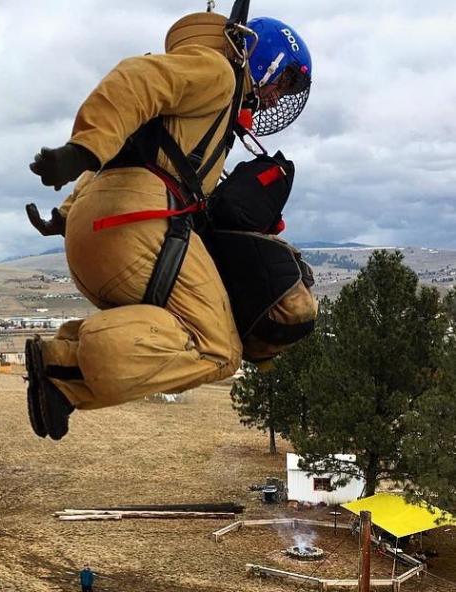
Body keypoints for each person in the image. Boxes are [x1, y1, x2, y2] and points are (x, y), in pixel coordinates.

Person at [24, 12, 316, 440]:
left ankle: (65, 369)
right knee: (218, 348)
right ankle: (61, 368)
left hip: (97, 227)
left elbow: (124, 155)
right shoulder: (218, 73)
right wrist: (83, 148)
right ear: (261, 58)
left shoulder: (198, 113)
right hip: (138, 224)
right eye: (284, 81)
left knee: (178, 331)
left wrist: (66, 214)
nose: (278, 97)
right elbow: (137, 79)